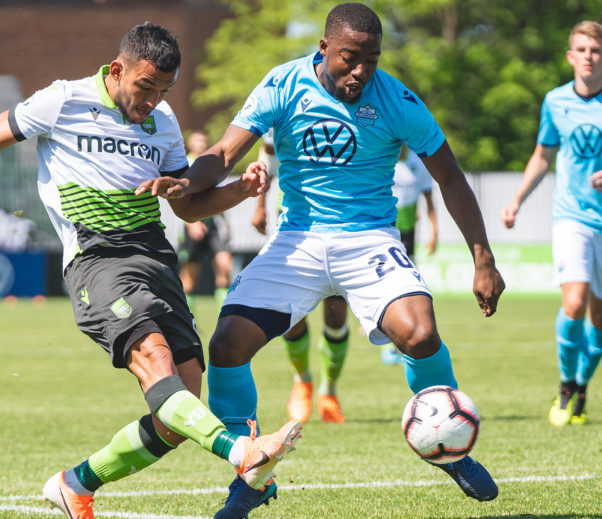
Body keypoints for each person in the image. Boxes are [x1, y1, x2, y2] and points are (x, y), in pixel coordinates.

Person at [0, 22, 302, 519]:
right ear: (117, 69)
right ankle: (241, 453)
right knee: (155, 358)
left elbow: (186, 206)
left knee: (181, 411)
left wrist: (238, 191)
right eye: (145, 87)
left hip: (156, 259)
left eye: (163, 91)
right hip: (97, 259)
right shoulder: (63, 101)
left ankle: (74, 484)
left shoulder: (163, 121)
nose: (152, 100)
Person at [141, 4, 505, 516]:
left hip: (370, 241)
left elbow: (450, 177)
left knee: (420, 333)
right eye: (349, 59)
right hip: (298, 241)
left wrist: (482, 259)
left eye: (371, 60)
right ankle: (253, 474)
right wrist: (188, 182)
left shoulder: (398, 99)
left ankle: (447, 448)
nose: (360, 71)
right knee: (225, 347)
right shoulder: (283, 85)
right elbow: (225, 153)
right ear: (324, 49)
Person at [500, 20, 602, 427]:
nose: (589, 57)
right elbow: (543, 156)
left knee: (599, 321)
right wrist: (516, 200)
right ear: (570, 56)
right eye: (582, 49)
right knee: (573, 302)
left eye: (595, 50)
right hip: (572, 215)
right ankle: (564, 384)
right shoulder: (555, 101)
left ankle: (581, 385)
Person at [253, 133, 351, 424]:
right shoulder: (287, 98)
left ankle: (329, 391)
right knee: (290, 313)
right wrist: (260, 205)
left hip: (339, 220)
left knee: (336, 315)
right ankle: (302, 381)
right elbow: (267, 153)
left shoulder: (350, 100)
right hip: (292, 221)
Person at [381, 145, 439, 365]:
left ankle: (398, 342)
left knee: (404, 286)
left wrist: (434, 231)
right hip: (384, 230)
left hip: (408, 234)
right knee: (386, 284)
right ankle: (387, 338)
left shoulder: (417, 162)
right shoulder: (383, 154)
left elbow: (428, 198)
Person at [179, 130, 233, 310]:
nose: (201, 144)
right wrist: (192, 223)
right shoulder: (184, 163)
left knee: (225, 267)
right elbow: (179, 198)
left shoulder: (210, 164)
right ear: (190, 144)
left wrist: (226, 225)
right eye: (197, 141)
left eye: (204, 141)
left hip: (212, 225)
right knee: (189, 279)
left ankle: (223, 319)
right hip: (192, 224)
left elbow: (215, 196)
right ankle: (188, 320)